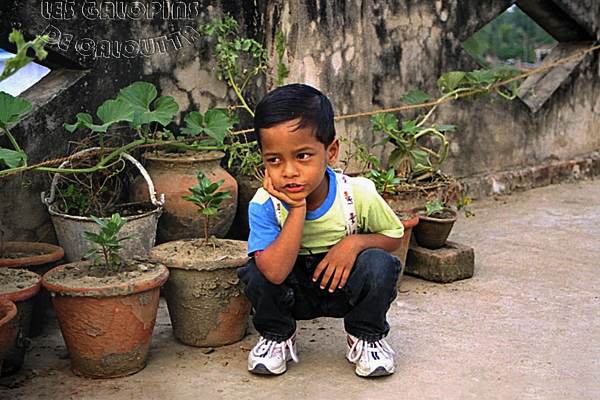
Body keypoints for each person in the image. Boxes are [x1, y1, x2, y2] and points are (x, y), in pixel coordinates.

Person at [237, 83, 404, 377]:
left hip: (342, 288)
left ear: (331, 151)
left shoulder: (356, 193)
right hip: (293, 292)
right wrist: (296, 210)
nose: (289, 171)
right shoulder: (264, 204)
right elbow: (274, 273)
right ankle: (278, 335)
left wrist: (353, 244)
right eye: (274, 160)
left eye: (302, 156)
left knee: (380, 264)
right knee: (256, 271)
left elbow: (394, 236)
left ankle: (365, 336)